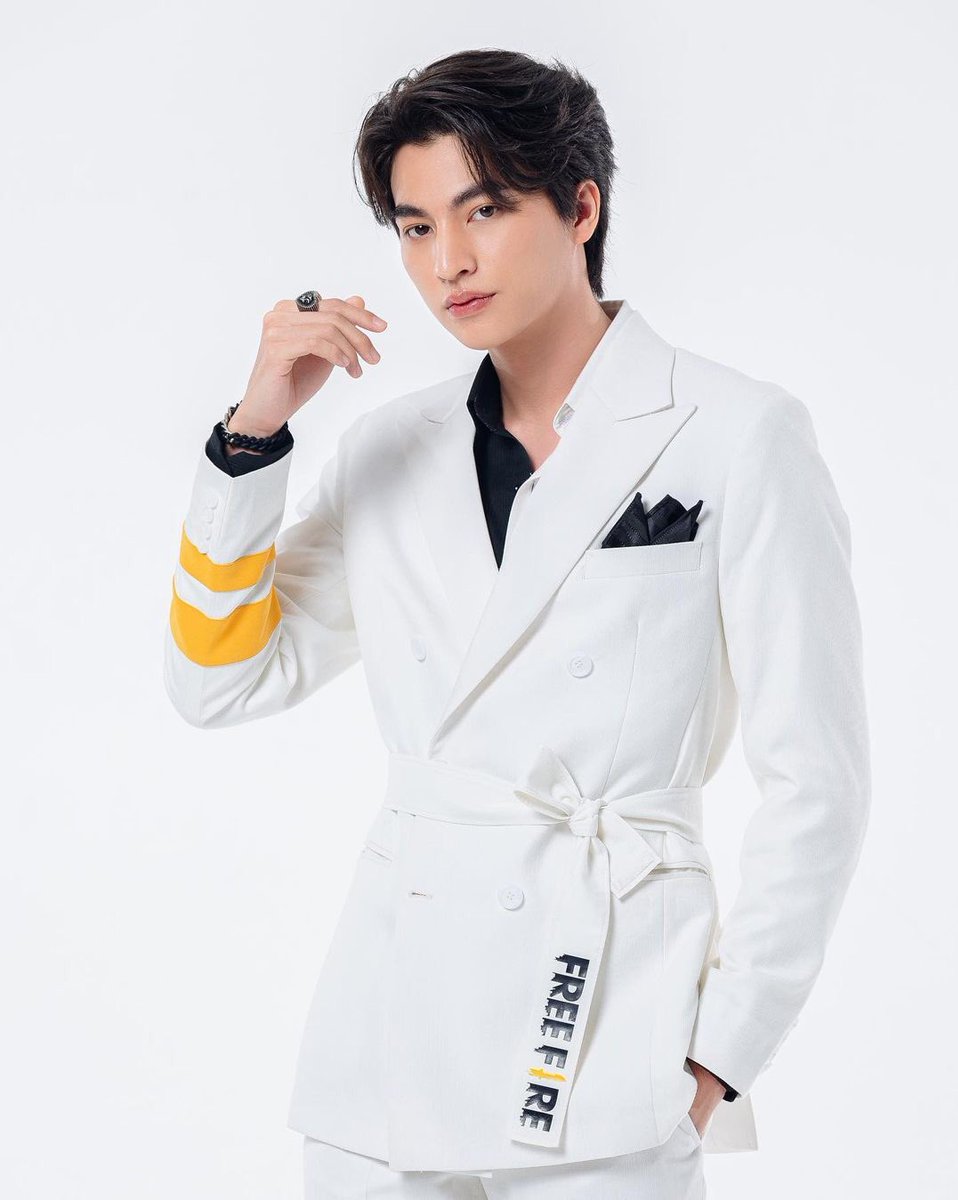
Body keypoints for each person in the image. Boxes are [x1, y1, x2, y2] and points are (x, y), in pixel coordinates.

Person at [164, 48, 870, 1200]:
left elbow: (817, 781)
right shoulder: (388, 449)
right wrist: (253, 435)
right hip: (388, 1043)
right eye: (414, 227)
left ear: (580, 206)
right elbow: (218, 680)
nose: (446, 260)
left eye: (483, 209)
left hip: (610, 1029)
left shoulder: (737, 433)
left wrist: (718, 1056)